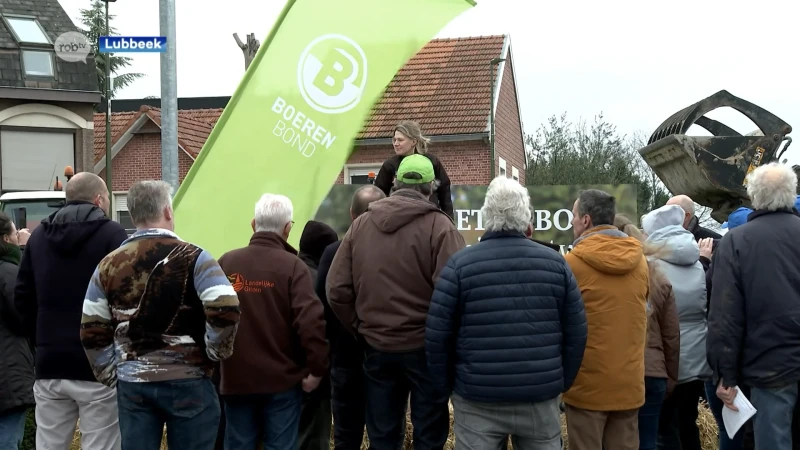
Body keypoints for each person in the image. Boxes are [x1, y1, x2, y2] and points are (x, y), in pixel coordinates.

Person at [426, 176, 587, 450]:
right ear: (526, 218)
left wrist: (448, 388)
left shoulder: (460, 266)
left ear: (486, 215)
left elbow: (437, 336)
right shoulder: (556, 265)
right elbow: (577, 332)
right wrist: (560, 381)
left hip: (477, 398)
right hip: (539, 396)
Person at [79, 180, 241, 450]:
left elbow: (90, 327)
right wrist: (215, 351)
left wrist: (111, 373)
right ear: (168, 211)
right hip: (189, 379)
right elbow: (225, 306)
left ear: (132, 215)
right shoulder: (196, 257)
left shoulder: (108, 264)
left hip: (133, 385)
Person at [327, 154, 466, 450]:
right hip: (425, 349)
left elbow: (337, 289)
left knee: (383, 436)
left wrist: (360, 327)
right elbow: (455, 295)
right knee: (429, 435)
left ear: (394, 183)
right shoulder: (441, 228)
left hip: (376, 346)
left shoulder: (360, 225)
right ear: (431, 187)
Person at [15, 171, 127, 450]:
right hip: (97, 362)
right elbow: (125, 294)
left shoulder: (39, 236)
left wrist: (39, 340)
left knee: (49, 445)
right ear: (99, 199)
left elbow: (23, 295)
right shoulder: (112, 234)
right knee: (100, 444)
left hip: (50, 362)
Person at [217, 194, 328, 450]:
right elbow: (311, 323)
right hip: (282, 382)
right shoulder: (294, 267)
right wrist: (317, 370)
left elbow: (208, 317)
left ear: (253, 224)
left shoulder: (226, 262)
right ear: (288, 228)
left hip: (236, 380)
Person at [708, 162, 800, 450]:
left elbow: (725, 315)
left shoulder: (737, 241)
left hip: (769, 367)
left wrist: (726, 374)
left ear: (754, 197)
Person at [561, 189, 649, 450]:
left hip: (587, 386)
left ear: (586, 220)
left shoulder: (572, 263)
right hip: (629, 384)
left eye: (574, 216)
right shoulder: (641, 262)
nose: (573, 222)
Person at [315, 185, 385, 450]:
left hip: (345, 354)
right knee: (386, 432)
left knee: (346, 435)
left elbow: (321, 299)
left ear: (350, 213)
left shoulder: (334, 251)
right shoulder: (397, 250)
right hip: (384, 352)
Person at [641, 205, 711, 450]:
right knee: (688, 423)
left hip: (666, 361)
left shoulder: (650, 264)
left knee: (663, 430)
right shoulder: (696, 260)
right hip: (696, 357)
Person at [614, 214, 680, 450]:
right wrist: (671, 377)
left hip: (621, 373)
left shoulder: (610, 277)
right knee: (648, 442)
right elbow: (671, 335)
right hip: (654, 372)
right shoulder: (658, 277)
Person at [703, 206, 754, 450]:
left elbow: (720, 318)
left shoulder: (723, 263)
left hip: (731, 364)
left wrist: (723, 373)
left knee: (731, 429)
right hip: (767, 363)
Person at [296, 220, 338, 450]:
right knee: (313, 436)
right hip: (312, 376)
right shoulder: (318, 281)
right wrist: (318, 370)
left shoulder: (289, 270)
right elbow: (317, 331)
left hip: (283, 372)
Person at [373, 120, 454, 219]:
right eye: (394, 140)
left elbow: (444, 191)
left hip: (428, 216)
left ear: (414, 141)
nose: (396, 143)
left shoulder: (431, 162)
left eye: (400, 140)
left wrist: (449, 218)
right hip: (399, 217)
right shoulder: (389, 165)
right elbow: (379, 194)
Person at [0, 213, 33, 450]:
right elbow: (24, 315)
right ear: (6, 239)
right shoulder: (8, 271)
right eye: (14, 233)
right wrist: (23, 253)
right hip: (7, 375)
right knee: (8, 440)